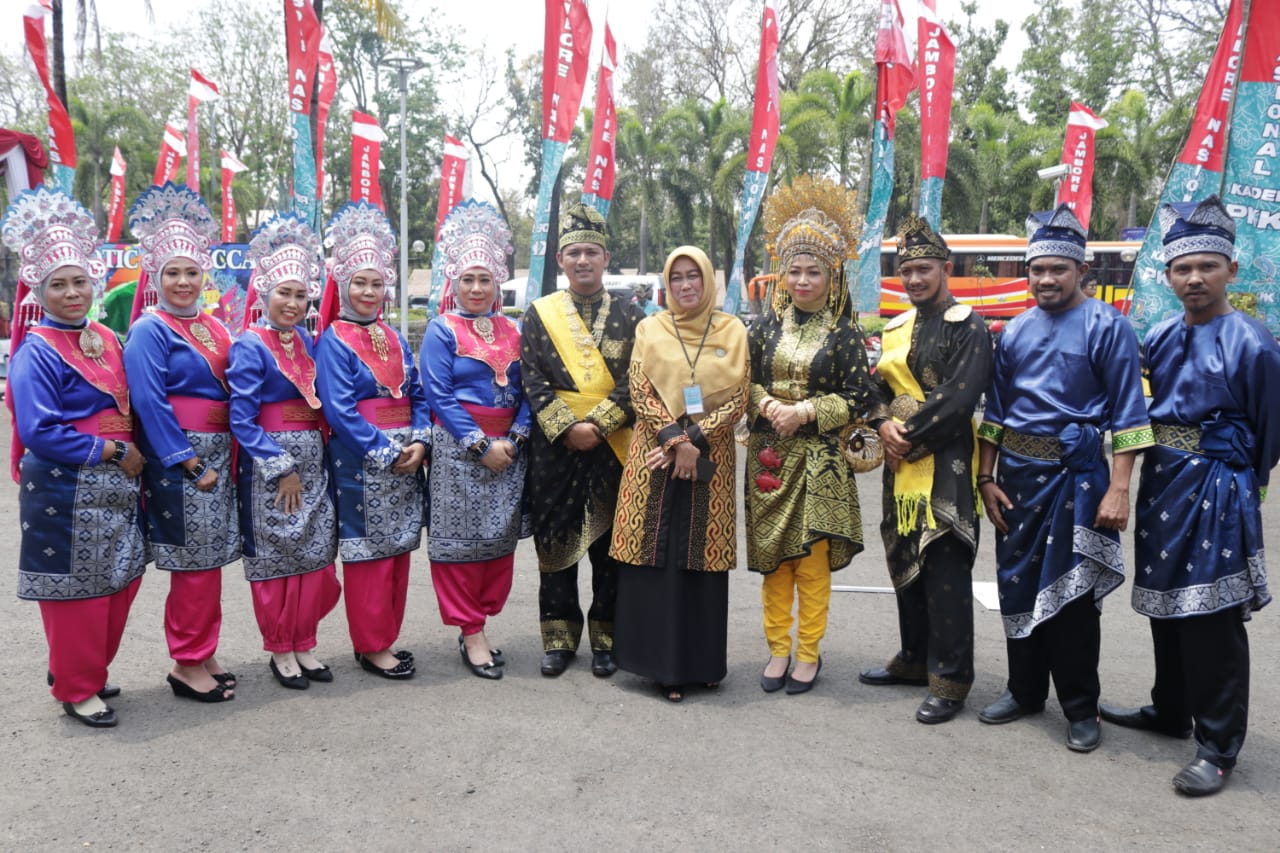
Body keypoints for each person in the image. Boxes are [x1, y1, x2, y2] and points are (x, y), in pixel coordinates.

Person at [1099, 197, 1280, 796]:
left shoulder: (1254, 343)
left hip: (1218, 489)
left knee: (1210, 618)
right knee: (1165, 605)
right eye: (1183, 268)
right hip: (1163, 483)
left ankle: (1218, 745)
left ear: (1230, 269)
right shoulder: (1157, 334)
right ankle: (1169, 710)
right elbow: (1136, 409)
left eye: (1206, 266)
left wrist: (1239, 481)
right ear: (1168, 275)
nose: (1194, 278)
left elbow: (1270, 431)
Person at [975, 204, 1154, 751]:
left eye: (1057, 269)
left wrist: (1119, 488)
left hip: (1077, 481)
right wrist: (986, 477)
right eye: (1037, 270)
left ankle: (1080, 707)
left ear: (1082, 271)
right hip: (1017, 482)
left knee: (1073, 601)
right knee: (1016, 585)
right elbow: (996, 414)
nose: (1046, 279)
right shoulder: (1015, 332)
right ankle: (1024, 691)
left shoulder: (1109, 327)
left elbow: (1129, 416)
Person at [2, 186, 146, 727]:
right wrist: (110, 449)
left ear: (94, 283)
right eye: (58, 285)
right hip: (65, 483)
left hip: (117, 483)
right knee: (75, 592)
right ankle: (77, 686)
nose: (71, 293)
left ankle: (81, 667)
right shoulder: (36, 348)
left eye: (79, 281)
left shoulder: (108, 338)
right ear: (40, 291)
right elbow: (39, 428)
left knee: (119, 578)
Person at [859, 215, 992, 724]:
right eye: (907, 270)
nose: (914, 279)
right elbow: (876, 387)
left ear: (946, 268)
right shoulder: (896, 328)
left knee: (944, 567)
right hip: (899, 468)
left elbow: (959, 397)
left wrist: (904, 435)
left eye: (924, 269)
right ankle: (914, 659)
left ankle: (952, 679)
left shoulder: (970, 326)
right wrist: (879, 423)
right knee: (904, 560)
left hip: (947, 466)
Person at [747, 175, 873, 695]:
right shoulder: (762, 329)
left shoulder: (846, 333)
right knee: (776, 562)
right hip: (769, 455)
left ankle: (808, 652)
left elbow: (861, 397)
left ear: (831, 274)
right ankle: (777, 649)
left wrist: (806, 412)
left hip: (821, 461)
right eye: (793, 270)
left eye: (813, 271)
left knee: (812, 564)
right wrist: (769, 403)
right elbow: (744, 382)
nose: (802, 281)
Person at [611, 246, 749, 702]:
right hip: (654, 452)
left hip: (712, 459)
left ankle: (702, 663)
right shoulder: (649, 327)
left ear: (708, 280)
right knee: (656, 550)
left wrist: (694, 443)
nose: (686, 285)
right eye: (677, 278)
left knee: (700, 557)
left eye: (694, 276)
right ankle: (658, 665)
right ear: (667, 285)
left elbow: (739, 396)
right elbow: (640, 387)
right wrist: (676, 442)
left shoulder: (733, 329)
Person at [123, 183, 240, 703]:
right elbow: (149, 402)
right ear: (156, 277)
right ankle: (186, 663)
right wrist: (187, 462)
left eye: (192, 271)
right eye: (172, 272)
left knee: (210, 562)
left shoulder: (215, 328)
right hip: (183, 459)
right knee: (192, 564)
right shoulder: (151, 330)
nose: (183, 281)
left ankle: (203, 651)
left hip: (217, 450)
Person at [521, 203, 644, 678]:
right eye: (574, 254)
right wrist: (568, 428)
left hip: (614, 447)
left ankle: (607, 638)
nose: (583, 261)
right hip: (555, 448)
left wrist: (598, 425)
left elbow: (639, 380)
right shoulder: (539, 314)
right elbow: (531, 379)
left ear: (606, 258)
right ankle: (558, 637)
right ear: (561, 261)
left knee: (612, 547)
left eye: (592, 252)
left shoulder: (633, 316)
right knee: (556, 543)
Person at [316, 201, 429, 681]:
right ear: (342, 285)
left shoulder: (396, 338)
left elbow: (418, 393)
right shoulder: (333, 341)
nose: (367, 291)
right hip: (363, 463)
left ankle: (386, 636)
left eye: (376, 282)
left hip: (406, 459)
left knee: (398, 552)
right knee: (369, 555)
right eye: (358, 282)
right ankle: (371, 644)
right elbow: (340, 410)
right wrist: (387, 451)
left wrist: (420, 442)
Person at [229, 213, 340, 690]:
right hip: (272, 469)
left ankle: (305, 641)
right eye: (284, 293)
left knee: (313, 556)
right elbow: (241, 418)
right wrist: (281, 467)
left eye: (300, 294)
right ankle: (280, 647)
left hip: (313, 466)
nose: (292, 303)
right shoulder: (249, 346)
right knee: (278, 559)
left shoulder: (309, 342)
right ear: (264, 294)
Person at [420, 201, 529, 681]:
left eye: (485, 280)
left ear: (497, 282)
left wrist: (516, 437)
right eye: (468, 280)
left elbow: (530, 390)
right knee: (459, 545)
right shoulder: (441, 331)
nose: (477, 289)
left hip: (509, 451)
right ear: (454, 283)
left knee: (497, 541)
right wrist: (479, 444)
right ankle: (471, 631)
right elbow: (438, 394)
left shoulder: (515, 330)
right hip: (460, 452)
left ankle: (480, 619)